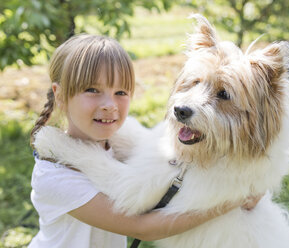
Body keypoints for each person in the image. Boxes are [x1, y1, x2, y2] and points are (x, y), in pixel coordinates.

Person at [28, 34, 261, 248]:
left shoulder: (117, 144)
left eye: (120, 93)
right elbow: (141, 228)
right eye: (92, 90)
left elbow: (178, 173)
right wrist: (229, 202)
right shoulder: (54, 176)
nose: (109, 104)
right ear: (60, 95)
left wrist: (252, 185)